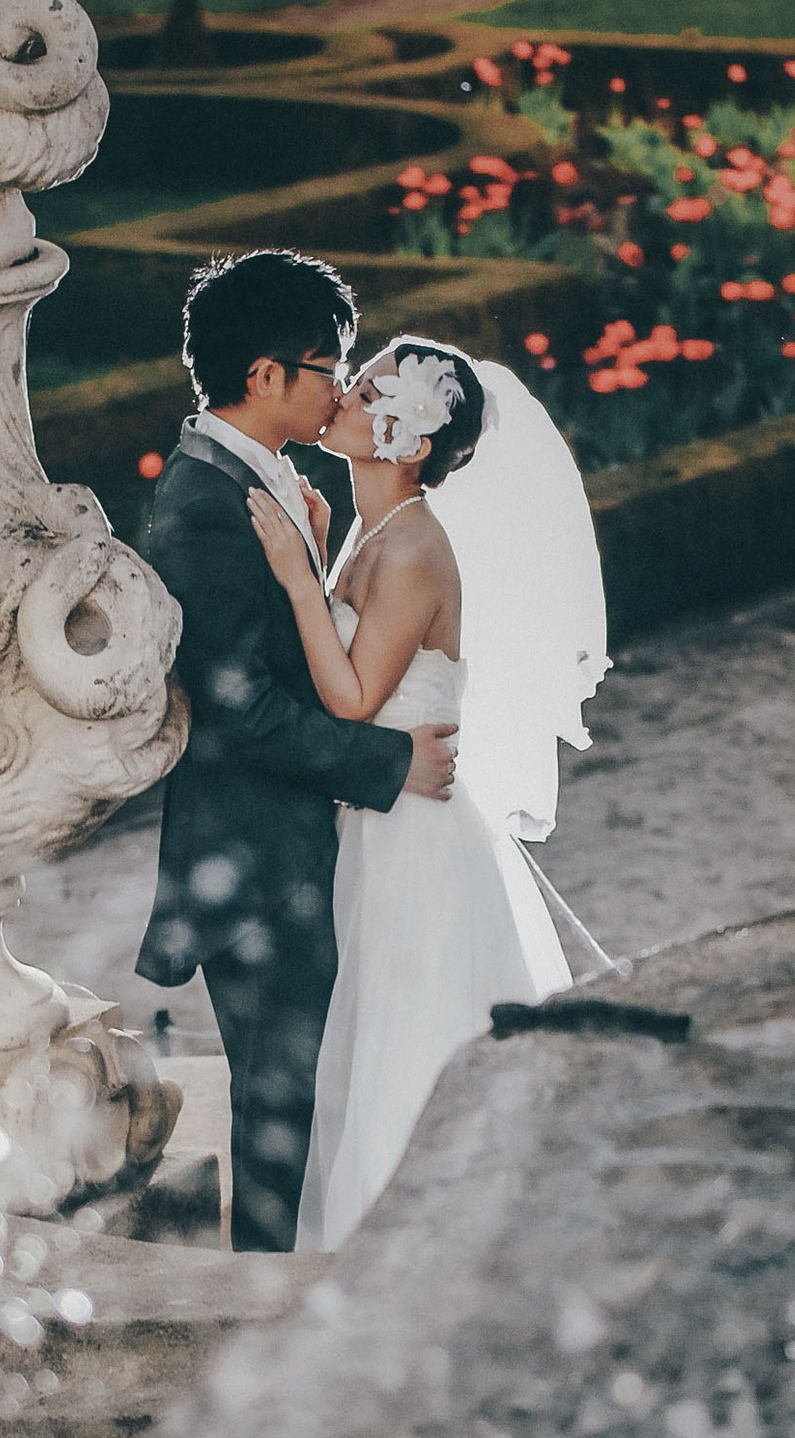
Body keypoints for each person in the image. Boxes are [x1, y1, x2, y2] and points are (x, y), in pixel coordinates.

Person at [242, 336, 614, 1252]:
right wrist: (324, 554)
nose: (344, 394)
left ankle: (405, 1259)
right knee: (368, 1047)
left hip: (413, 843)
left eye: (367, 391)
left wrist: (296, 576)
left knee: (403, 1053)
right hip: (379, 822)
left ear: (407, 440)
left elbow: (353, 699)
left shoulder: (413, 550)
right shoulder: (376, 534)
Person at [134, 252, 461, 1253]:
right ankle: (266, 1320)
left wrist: (311, 568)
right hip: (261, 868)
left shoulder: (262, 480)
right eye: (330, 366)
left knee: (324, 1107)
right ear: (268, 375)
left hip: (297, 852)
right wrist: (385, 764)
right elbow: (236, 706)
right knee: (286, 1123)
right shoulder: (202, 509)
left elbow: (287, 651)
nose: (340, 388)